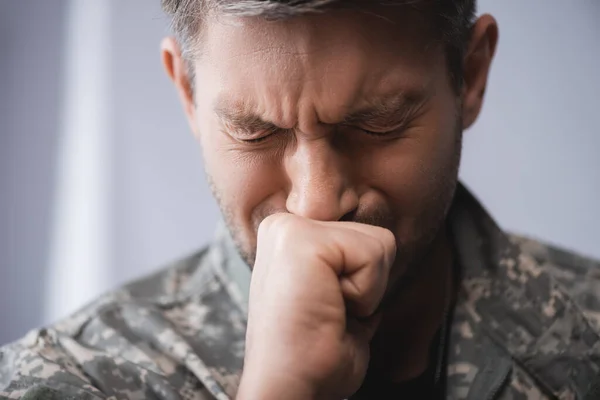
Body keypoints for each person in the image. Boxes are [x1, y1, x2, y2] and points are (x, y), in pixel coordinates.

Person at [2, 0, 600, 399]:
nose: (315, 205)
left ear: (470, 76)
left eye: (377, 124)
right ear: (186, 91)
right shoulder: (65, 381)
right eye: (255, 130)